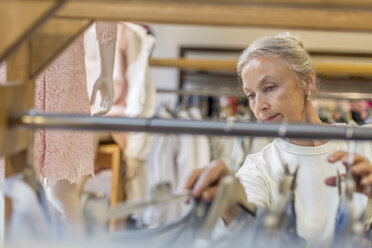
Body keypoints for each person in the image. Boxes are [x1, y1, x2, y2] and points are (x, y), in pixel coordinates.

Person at [183, 33, 372, 246]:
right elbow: (249, 229)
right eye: (251, 95)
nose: (258, 106)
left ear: (307, 82)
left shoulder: (366, 141)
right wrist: (232, 205)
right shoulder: (258, 168)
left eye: (269, 87)